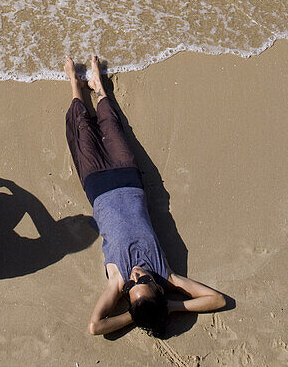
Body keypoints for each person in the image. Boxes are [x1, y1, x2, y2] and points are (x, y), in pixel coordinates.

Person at [65, 54, 226, 336]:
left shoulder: (117, 281)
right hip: (129, 178)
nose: (136, 274)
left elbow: (95, 327)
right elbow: (218, 299)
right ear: (157, 288)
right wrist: (171, 306)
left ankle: (74, 84)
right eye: (144, 279)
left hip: (98, 186)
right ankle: (97, 85)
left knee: (82, 128)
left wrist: (135, 316)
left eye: (132, 284)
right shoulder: (167, 274)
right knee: (112, 126)